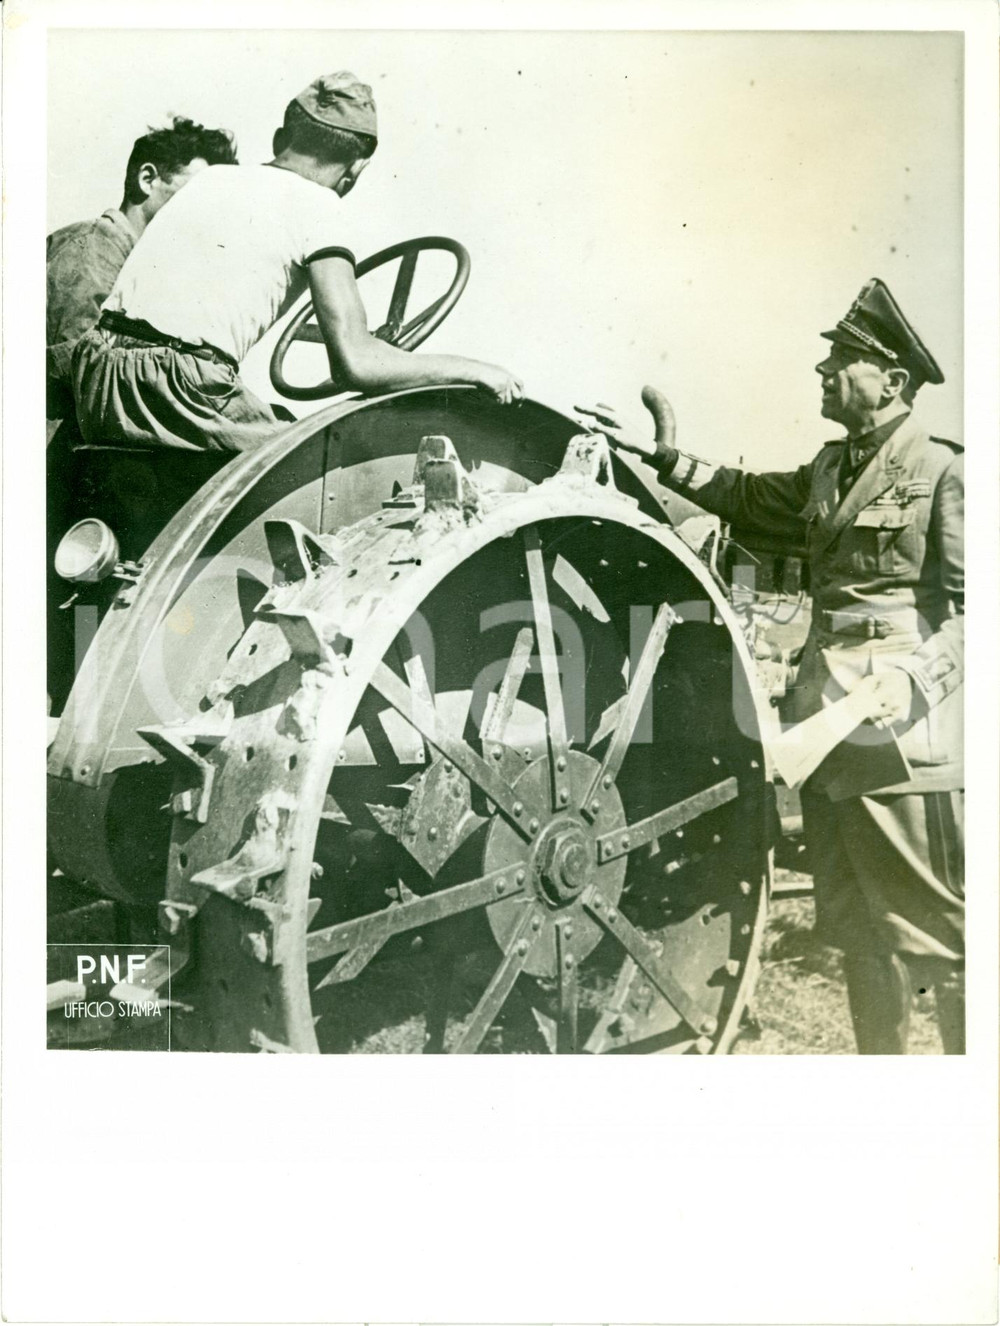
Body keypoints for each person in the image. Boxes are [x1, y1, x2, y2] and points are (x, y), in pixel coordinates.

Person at [577, 279, 964, 1054]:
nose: (824, 374)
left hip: (903, 740)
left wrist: (920, 678)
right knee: (857, 934)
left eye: (842, 361)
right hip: (824, 735)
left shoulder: (945, 471)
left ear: (892, 382)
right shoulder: (828, 470)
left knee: (943, 940)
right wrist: (656, 457)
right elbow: (746, 497)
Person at [70, 71, 523, 461]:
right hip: (180, 388)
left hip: (97, 375)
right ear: (358, 165)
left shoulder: (211, 179)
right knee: (342, 467)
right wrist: (476, 369)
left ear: (280, 139)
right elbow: (358, 364)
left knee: (283, 427)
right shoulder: (321, 208)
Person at [46, 115, 238, 427]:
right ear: (147, 178)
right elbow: (78, 368)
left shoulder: (146, 269)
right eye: (197, 195)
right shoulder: (93, 246)